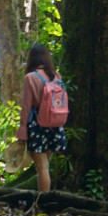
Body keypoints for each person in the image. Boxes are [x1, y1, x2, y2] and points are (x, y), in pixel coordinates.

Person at [18, 43, 69, 195]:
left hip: (38, 126)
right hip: (55, 125)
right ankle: (45, 199)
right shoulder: (56, 76)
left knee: (42, 168)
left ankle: (43, 202)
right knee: (45, 165)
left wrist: (22, 131)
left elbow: (26, 106)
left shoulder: (30, 78)